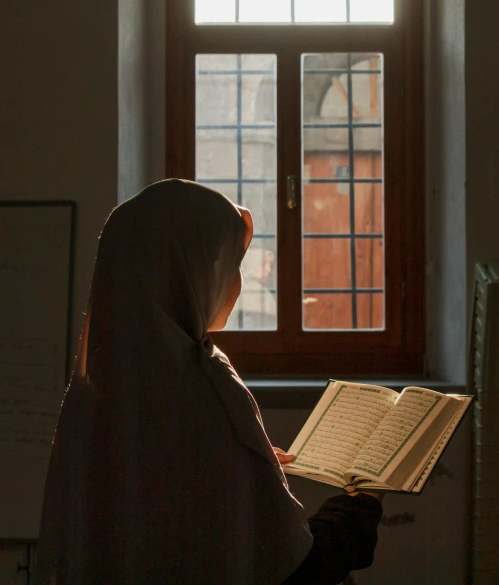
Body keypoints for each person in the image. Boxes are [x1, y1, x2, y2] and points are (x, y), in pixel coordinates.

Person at [35, 179, 382, 585]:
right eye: (227, 263)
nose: (236, 281)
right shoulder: (208, 390)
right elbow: (296, 566)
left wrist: (237, 457)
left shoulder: (94, 388)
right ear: (188, 270)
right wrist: (364, 502)